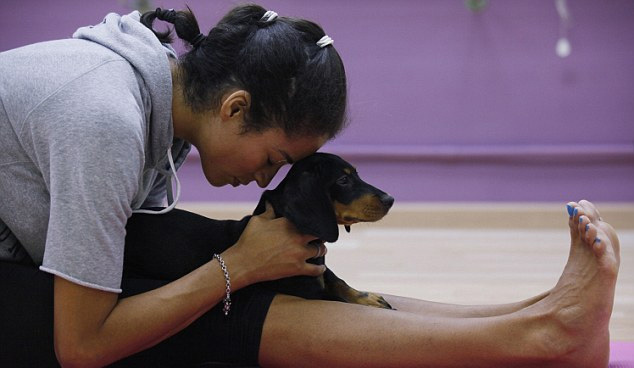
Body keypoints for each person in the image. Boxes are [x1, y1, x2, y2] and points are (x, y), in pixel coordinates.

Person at [0, 4, 620, 368]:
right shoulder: (104, 117)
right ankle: (544, 340)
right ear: (235, 107)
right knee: (217, 304)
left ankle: (531, 316)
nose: (267, 178)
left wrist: (238, 257)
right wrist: (236, 268)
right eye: (273, 157)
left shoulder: (154, 93)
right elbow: (82, 346)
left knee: (197, 250)